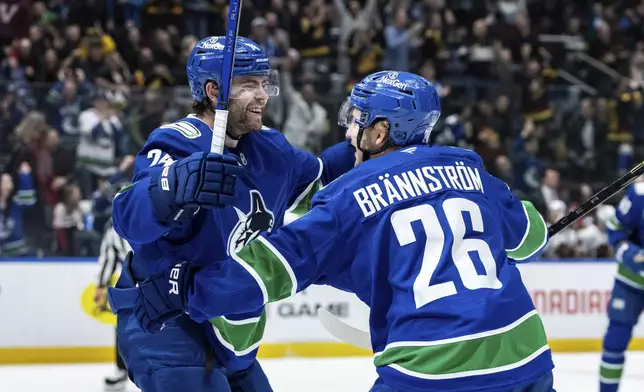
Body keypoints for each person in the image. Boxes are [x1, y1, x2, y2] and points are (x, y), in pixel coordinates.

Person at [109, 71, 555, 392]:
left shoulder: (349, 198)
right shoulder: (468, 166)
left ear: (380, 134)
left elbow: (269, 269)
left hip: (431, 370)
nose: (349, 127)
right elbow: (532, 236)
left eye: (357, 119)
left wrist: (184, 291)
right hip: (529, 356)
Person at [108, 36, 355, 392]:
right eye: (248, 84)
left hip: (229, 329)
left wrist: (375, 138)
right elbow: (128, 218)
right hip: (168, 322)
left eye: (264, 83)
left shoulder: (270, 149)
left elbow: (324, 176)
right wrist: (176, 184)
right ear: (213, 91)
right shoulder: (178, 141)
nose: (263, 94)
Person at [600, 181, 644, 392]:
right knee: (614, 342)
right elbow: (616, 229)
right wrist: (628, 253)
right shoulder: (639, 194)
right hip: (631, 281)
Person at [94, 218, 132, 391]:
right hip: (135, 283)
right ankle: (121, 370)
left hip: (161, 278)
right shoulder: (114, 225)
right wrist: (101, 284)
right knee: (123, 325)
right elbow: (109, 255)